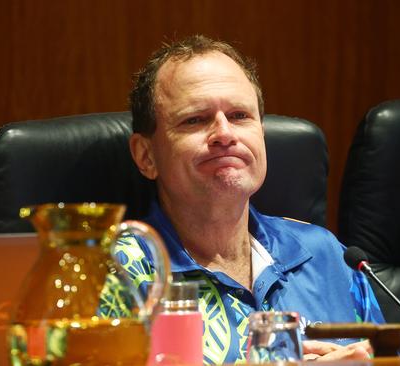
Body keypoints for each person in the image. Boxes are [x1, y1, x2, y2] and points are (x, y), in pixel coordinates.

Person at [99, 35, 384, 364]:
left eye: (239, 116)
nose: (225, 134)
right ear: (146, 155)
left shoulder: (326, 255)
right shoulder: (117, 274)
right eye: (196, 119)